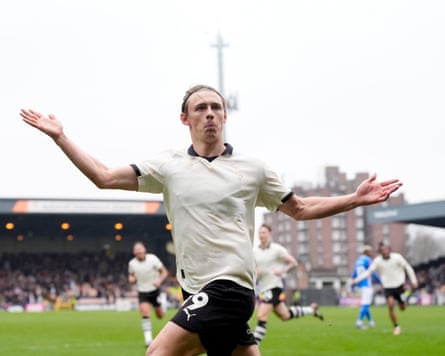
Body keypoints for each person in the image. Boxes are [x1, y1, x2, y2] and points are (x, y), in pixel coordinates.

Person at [20, 84, 403, 356]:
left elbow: (299, 209)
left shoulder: (253, 169)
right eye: (201, 108)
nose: (209, 114)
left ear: (225, 116)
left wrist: (354, 199)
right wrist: (60, 137)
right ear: (185, 118)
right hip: (196, 291)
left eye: (216, 107)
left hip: (229, 288)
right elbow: (103, 177)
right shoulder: (167, 166)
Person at [253, 223, 323, 345]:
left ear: (270, 234)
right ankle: (311, 310)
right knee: (284, 315)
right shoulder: (255, 251)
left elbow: (293, 262)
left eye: (264, 232)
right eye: (260, 232)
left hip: (274, 286)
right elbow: (255, 268)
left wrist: (282, 271)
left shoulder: (277, 249)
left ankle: (253, 347)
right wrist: (256, 273)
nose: (261, 235)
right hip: (263, 287)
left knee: (261, 316)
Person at [352, 243, 418, 335]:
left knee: (402, 308)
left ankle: (402, 302)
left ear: (389, 250)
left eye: (386, 250)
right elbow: (369, 272)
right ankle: (396, 327)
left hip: (399, 286)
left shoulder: (397, 257)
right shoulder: (377, 261)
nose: (384, 252)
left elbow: (408, 268)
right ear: (380, 252)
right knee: (390, 305)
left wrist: (414, 281)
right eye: (382, 250)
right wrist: (356, 280)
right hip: (387, 287)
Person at [128, 241, 169, 347]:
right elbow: (131, 276)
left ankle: (163, 303)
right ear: (134, 253)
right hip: (142, 292)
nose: (139, 254)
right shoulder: (132, 263)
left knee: (160, 316)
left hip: (154, 290)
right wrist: (131, 279)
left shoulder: (153, 259)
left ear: (144, 250)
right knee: (145, 313)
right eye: (137, 252)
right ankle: (148, 340)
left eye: (140, 251)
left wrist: (159, 281)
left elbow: (164, 272)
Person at [351, 245, 381, 329]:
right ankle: (359, 322)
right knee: (365, 304)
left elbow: (354, 274)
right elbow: (372, 272)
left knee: (366, 303)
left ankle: (371, 322)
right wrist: (381, 281)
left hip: (360, 285)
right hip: (367, 284)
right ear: (367, 252)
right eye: (370, 251)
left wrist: (353, 285)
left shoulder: (358, 261)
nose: (371, 253)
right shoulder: (368, 260)